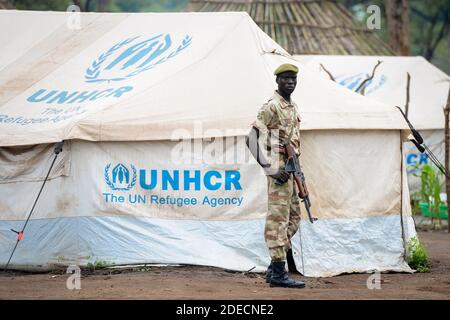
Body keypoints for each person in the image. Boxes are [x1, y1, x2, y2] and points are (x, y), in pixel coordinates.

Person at [246, 63, 305, 288]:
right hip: (278, 169)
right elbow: (250, 139)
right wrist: (270, 169)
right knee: (277, 221)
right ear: (277, 81)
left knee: (295, 218)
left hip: (292, 167)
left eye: (293, 79)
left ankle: (274, 267)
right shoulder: (272, 107)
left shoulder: (292, 107)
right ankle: (279, 272)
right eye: (286, 78)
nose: (290, 82)